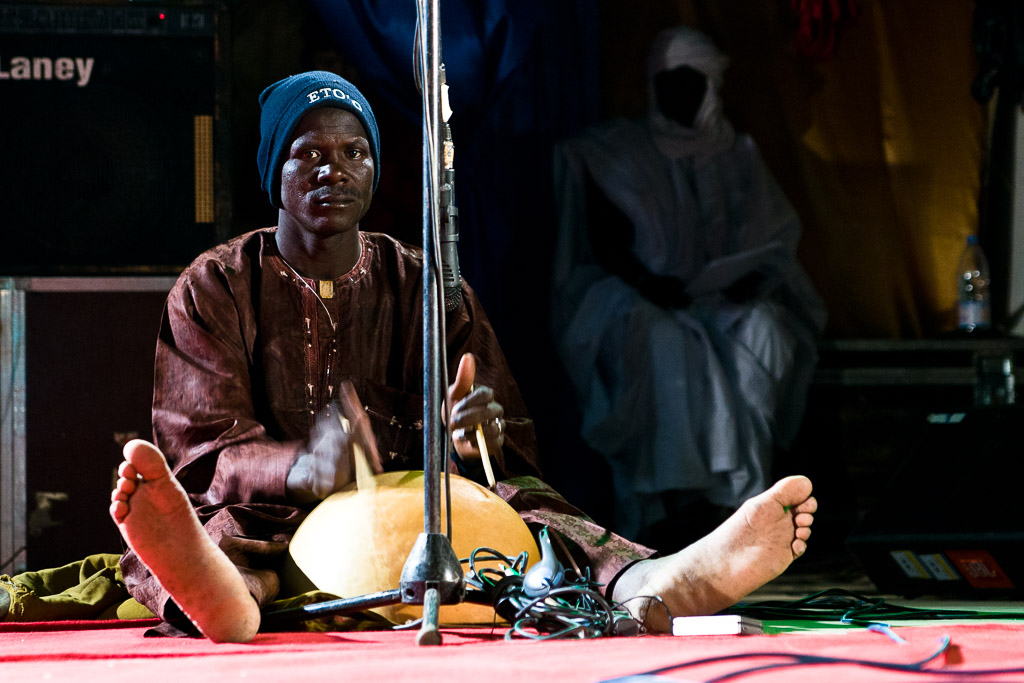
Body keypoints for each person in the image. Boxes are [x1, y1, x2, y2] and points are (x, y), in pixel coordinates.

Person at [109, 70, 817, 643]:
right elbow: (202, 450)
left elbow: (501, 438)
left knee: (530, 508)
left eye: (354, 153)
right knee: (222, 532)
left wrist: (477, 438)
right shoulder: (216, 285)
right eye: (310, 154)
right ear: (275, 169)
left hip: (421, 512)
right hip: (273, 512)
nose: (334, 171)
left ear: (375, 168)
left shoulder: (427, 286)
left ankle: (653, 581)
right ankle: (229, 599)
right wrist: (302, 467)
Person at [551, 27, 827, 549]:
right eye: (667, 83)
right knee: (665, 340)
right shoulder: (620, 153)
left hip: (722, 300)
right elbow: (605, 241)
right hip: (644, 296)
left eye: (689, 82)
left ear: (710, 85)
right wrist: (650, 283)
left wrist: (746, 279)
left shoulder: (737, 153)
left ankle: (738, 498)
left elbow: (769, 240)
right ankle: (671, 503)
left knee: (765, 329)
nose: (677, 95)